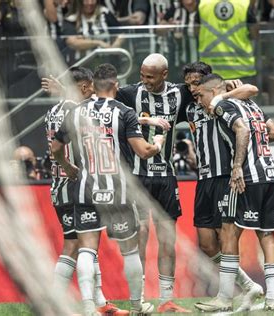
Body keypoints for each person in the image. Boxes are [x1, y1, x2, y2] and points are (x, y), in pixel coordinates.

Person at [52, 63, 164, 315]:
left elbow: (56, 148)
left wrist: (68, 167)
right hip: (118, 190)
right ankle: (137, 305)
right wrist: (157, 142)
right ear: (115, 85)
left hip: (85, 189)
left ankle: (89, 308)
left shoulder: (77, 111)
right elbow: (143, 151)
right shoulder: (124, 112)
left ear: (93, 86)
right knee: (129, 249)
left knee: (87, 249)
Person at [183, 62, 274, 312]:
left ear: (210, 86)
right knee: (209, 243)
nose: (192, 90)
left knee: (228, 233)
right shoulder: (192, 106)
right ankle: (260, 292)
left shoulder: (225, 102)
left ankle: (226, 297)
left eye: (197, 85)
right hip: (212, 177)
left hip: (233, 175)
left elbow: (250, 99)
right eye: (188, 84)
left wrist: (237, 165)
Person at [43, 66, 129, 315]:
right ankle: (56, 301)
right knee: (74, 245)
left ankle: (100, 302)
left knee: (86, 245)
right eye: (91, 86)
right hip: (73, 183)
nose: (94, 91)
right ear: (83, 87)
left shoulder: (54, 110)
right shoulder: (77, 110)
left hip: (59, 185)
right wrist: (70, 167)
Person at [115, 53, 193, 313]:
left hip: (166, 177)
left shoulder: (179, 93)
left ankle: (166, 300)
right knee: (140, 237)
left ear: (164, 74)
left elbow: (207, 88)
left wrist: (229, 88)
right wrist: (147, 120)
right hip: (138, 176)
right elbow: (103, 106)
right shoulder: (128, 94)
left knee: (167, 240)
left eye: (150, 76)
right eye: (142, 75)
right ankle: (138, 300)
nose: (144, 80)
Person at [198, 0, 258, 83]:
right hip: (242, 68)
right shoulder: (244, 3)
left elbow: (195, 31)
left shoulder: (203, 3)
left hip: (210, 71)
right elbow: (254, 33)